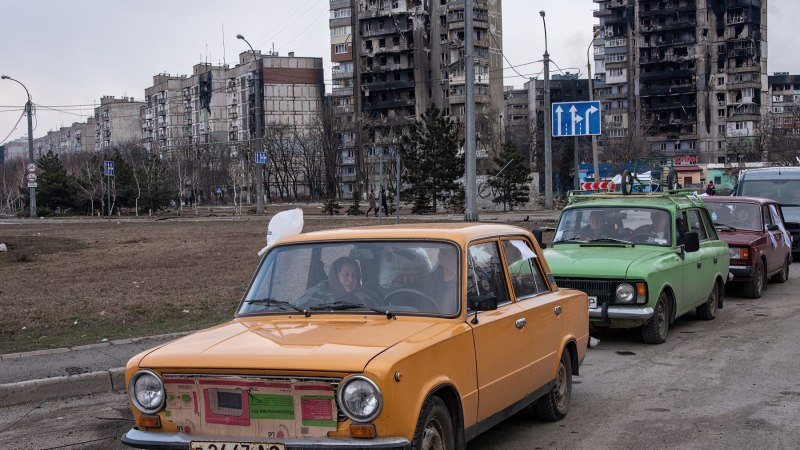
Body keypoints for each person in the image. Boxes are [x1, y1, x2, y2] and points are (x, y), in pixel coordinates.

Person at [296, 257, 380, 309]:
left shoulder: (365, 297)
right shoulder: (317, 297)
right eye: (345, 275)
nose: (351, 279)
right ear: (335, 276)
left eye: (354, 275)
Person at [413, 246, 459, 314]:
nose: (460, 259)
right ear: (441, 259)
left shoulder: (470, 284)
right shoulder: (425, 282)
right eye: (454, 254)